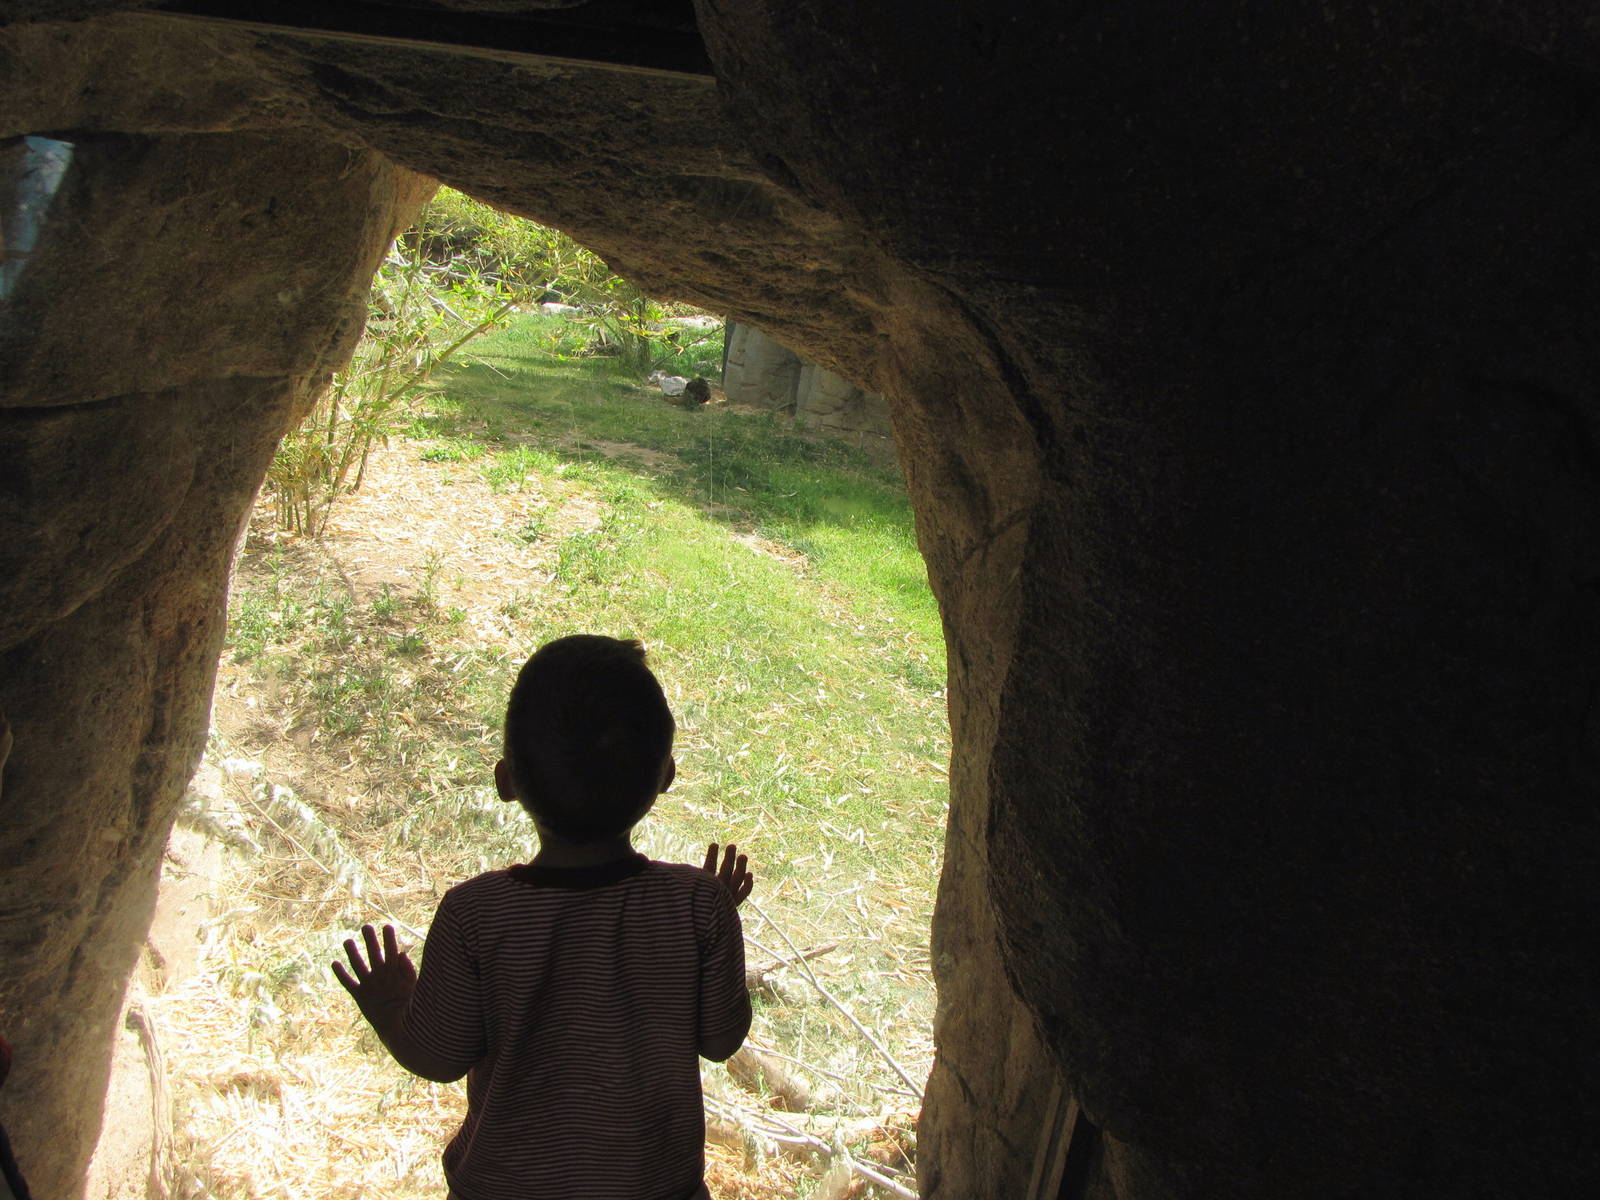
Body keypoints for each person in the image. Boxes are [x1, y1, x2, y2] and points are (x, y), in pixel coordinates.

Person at [332, 636, 753, 1200]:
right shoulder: (698, 905)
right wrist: (714, 922)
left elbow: (438, 1057)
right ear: (665, 777)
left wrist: (387, 1007)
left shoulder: (475, 915)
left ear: (506, 781)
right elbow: (721, 1040)